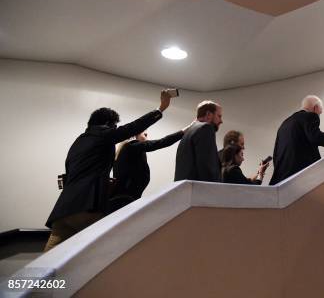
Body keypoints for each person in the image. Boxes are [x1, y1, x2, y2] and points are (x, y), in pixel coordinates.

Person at [44, 89, 174, 251]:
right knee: (103, 254)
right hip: (87, 209)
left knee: (48, 262)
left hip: (62, 212)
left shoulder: (78, 142)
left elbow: (73, 174)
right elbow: (133, 127)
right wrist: (160, 109)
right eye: (114, 126)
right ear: (108, 124)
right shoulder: (103, 134)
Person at [109, 121, 195, 212]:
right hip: (124, 202)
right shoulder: (131, 146)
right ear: (134, 136)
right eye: (145, 135)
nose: (147, 138)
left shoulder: (130, 150)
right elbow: (161, 142)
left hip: (125, 200)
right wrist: (184, 130)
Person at [269, 95, 324, 185]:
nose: (319, 114)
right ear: (315, 108)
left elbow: (276, 152)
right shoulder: (310, 116)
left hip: (281, 177)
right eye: (320, 112)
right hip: (301, 175)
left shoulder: (285, 123)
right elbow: (317, 137)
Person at [174, 100, 223, 182]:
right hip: (199, 191)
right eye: (219, 116)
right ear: (208, 114)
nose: (221, 121)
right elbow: (207, 168)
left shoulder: (188, 132)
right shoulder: (206, 128)